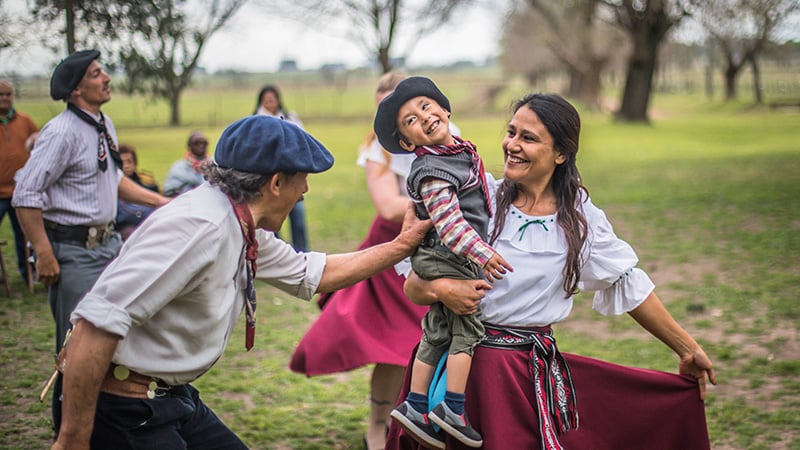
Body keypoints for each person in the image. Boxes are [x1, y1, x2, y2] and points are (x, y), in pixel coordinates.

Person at [50, 114, 431, 450]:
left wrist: (401, 246)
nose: (305, 192)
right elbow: (94, 325)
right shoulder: (201, 227)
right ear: (277, 183)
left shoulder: (238, 222)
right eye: (303, 180)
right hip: (124, 407)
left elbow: (313, 273)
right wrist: (71, 441)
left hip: (169, 396)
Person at [386, 93, 717, 450]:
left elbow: (627, 284)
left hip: (526, 375)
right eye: (511, 132)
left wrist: (687, 348)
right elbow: (414, 285)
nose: (512, 145)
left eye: (528, 138)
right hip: (459, 374)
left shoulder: (580, 219)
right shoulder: (477, 199)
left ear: (560, 153)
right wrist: (442, 291)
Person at [12, 49, 168, 436]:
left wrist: (162, 202)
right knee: (77, 350)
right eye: (98, 74)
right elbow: (26, 195)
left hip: (109, 248)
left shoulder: (103, 124)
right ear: (77, 89)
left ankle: (108, 429)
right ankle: (68, 438)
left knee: (118, 339)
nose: (107, 78)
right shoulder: (61, 132)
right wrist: (44, 254)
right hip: (74, 253)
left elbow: (112, 180)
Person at [290, 71, 431, 450]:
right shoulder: (378, 149)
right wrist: (444, 201)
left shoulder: (441, 132)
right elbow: (388, 207)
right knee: (397, 348)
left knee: (438, 344)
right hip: (392, 253)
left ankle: (424, 422)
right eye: (381, 106)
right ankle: (378, 426)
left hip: (437, 249)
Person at [372, 76, 513, 449]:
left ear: (444, 108)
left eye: (425, 106)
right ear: (408, 142)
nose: (424, 116)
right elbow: (451, 228)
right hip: (448, 256)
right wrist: (484, 254)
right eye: (411, 121)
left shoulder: (455, 153)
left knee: (436, 330)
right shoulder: (434, 171)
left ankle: (416, 405)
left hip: (439, 257)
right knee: (467, 331)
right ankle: (453, 407)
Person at [253, 84, 308, 251]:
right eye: (266, 100)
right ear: (261, 102)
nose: (270, 103)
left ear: (278, 100)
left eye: (272, 99)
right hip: (270, 177)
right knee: (272, 219)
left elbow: (303, 140)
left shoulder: (290, 117)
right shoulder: (256, 121)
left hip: (292, 174)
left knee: (297, 216)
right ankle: (279, 252)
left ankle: (302, 251)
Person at [0, 78, 38, 282]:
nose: (5, 99)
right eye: (1, 95)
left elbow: (39, 145)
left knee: (24, 235)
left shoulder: (25, 121)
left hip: (21, 191)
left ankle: (28, 274)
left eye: (8, 94)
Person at [116, 144, 160, 240]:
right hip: (126, 228)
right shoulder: (113, 187)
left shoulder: (147, 182)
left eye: (129, 161)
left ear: (135, 163)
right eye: (122, 162)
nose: (126, 166)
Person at [162, 130, 211, 197]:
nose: (201, 145)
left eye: (204, 142)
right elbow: (169, 191)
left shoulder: (215, 164)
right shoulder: (178, 167)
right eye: (196, 143)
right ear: (189, 146)